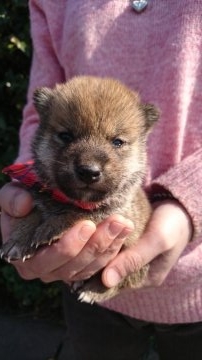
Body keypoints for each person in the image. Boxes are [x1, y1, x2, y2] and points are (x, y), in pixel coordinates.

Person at [0, 1, 202, 359]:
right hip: (82, 287)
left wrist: (189, 200)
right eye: (66, 136)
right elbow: (38, 112)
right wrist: (25, 201)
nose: (90, 165)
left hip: (195, 281)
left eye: (118, 142)